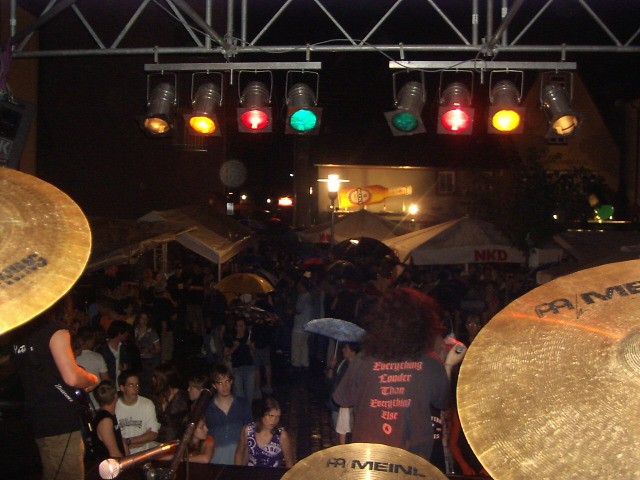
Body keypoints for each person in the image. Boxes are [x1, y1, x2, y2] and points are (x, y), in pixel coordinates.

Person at [332, 287, 465, 461]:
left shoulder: (363, 359)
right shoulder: (431, 362)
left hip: (369, 455)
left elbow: (343, 399)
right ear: (422, 324)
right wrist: (448, 365)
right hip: (414, 457)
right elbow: (442, 401)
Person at [11, 302, 100, 480]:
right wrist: (92, 378)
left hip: (36, 418)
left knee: (52, 471)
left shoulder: (18, 335)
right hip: (60, 419)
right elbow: (72, 377)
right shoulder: (55, 331)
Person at [204, 364, 252, 465]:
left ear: (231, 382)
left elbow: (250, 435)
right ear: (214, 385)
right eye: (220, 383)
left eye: (227, 381)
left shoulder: (243, 405)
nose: (224, 386)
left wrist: (246, 462)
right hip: (216, 462)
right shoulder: (207, 409)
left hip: (239, 462)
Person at [234, 397, 295, 468]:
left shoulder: (281, 435)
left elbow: (289, 463)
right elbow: (239, 454)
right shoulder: (248, 430)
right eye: (271, 416)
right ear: (262, 414)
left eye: (277, 417)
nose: (274, 420)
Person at [116, 370, 160, 454]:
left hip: (143, 452)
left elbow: (153, 434)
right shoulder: (115, 406)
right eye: (131, 385)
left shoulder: (147, 404)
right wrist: (141, 439)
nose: (135, 388)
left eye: (137, 385)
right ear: (122, 388)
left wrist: (128, 441)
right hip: (122, 454)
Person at [325, 341, 360, 444]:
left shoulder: (359, 367)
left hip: (351, 407)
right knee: (339, 433)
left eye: (346, 348)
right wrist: (331, 367)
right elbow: (330, 381)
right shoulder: (341, 364)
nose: (343, 350)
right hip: (337, 405)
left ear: (353, 352)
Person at [152, 363, 190, 443]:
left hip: (176, 440)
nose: (153, 379)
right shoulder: (157, 396)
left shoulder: (182, 397)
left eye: (156, 377)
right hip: (159, 439)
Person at [73, 325, 110, 409]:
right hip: (97, 402)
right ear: (89, 340)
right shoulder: (98, 357)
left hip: (79, 402)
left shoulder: (71, 358)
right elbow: (106, 380)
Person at [91, 379, 128, 461]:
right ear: (116, 396)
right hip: (110, 466)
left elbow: (121, 441)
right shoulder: (105, 421)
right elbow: (114, 453)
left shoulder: (111, 415)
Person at [224, 316, 255, 402]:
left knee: (249, 394)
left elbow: (253, 353)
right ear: (235, 327)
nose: (241, 327)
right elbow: (225, 354)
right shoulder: (231, 338)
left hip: (249, 368)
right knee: (239, 395)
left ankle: (248, 410)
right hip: (237, 369)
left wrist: (250, 346)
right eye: (239, 325)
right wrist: (234, 347)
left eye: (242, 325)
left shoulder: (248, 337)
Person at [134, 311, 161, 397]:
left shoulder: (152, 333)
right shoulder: (134, 331)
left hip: (149, 361)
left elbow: (158, 349)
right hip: (137, 360)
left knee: (148, 382)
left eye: (146, 318)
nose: (144, 320)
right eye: (142, 318)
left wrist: (149, 350)